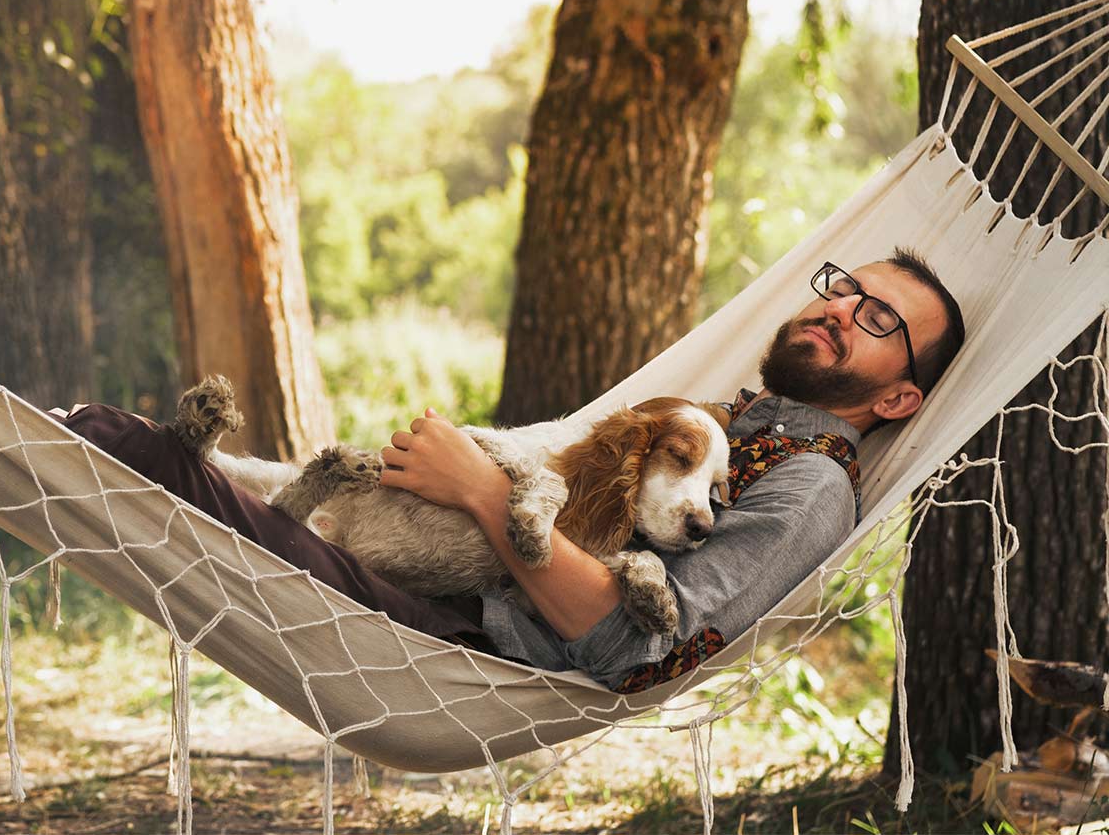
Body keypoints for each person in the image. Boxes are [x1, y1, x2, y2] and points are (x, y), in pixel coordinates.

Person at [55, 247, 965, 689]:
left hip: (470, 645)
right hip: (432, 571)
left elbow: (636, 646)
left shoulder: (811, 485)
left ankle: (64, 437)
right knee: (211, 482)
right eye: (849, 287)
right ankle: (71, 438)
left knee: (159, 468)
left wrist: (482, 493)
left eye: (883, 320)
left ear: (897, 402)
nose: (845, 309)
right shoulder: (723, 423)